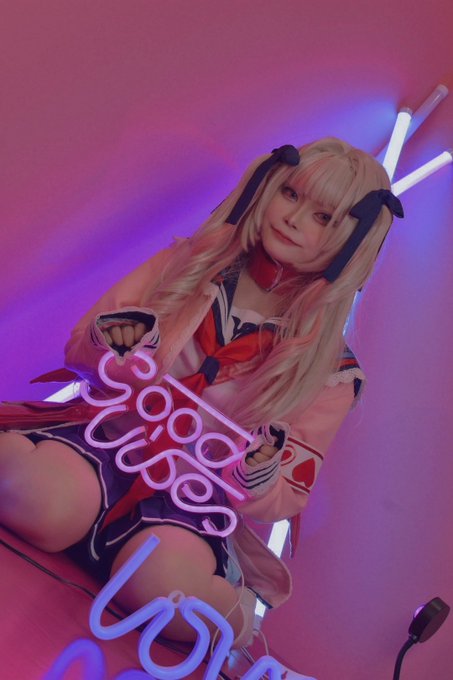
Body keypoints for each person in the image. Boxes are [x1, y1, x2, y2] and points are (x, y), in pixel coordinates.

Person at [0, 137, 403, 649]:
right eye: (290, 194)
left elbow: (285, 496)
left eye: (323, 218)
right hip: (104, 446)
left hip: (188, 505)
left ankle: (234, 609)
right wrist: (119, 347)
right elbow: (81, 349)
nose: (293, 219)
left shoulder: (331, 372)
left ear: (354, 242)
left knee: (166, 593)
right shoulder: (185, 266)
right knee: (36, 498)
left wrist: (257, 471)